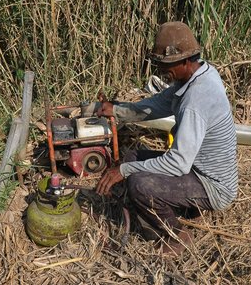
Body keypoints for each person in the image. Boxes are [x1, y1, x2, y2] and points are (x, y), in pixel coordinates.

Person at [95, 21, 238, 255]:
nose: (162, 71)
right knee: (132, 156)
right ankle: (168, 211)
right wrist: (117, 110)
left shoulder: (196, 100)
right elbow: (159, 104)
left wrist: (123, 171)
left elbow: (178, 162)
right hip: (195, 167)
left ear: (185, 60)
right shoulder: (199, 73)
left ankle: (177, 235)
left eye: (166, 65)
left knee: (140, 185)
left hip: (212, 185)